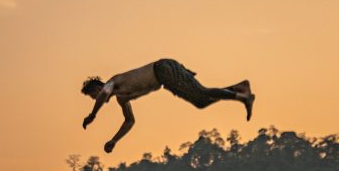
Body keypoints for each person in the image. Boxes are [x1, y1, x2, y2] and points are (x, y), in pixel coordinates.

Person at [81, 58, 255, 152]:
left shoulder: (112, 82)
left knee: (201, 92)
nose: (94, 99)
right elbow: (129, 121)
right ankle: (239, 89)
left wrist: (93, 115)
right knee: (201, 101)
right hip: (165, 79)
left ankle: (242, 96)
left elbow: (104, 93)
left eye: (92, 95)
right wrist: (114, 140)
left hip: (162, 69)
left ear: (98, 87)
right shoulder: (121, 98)